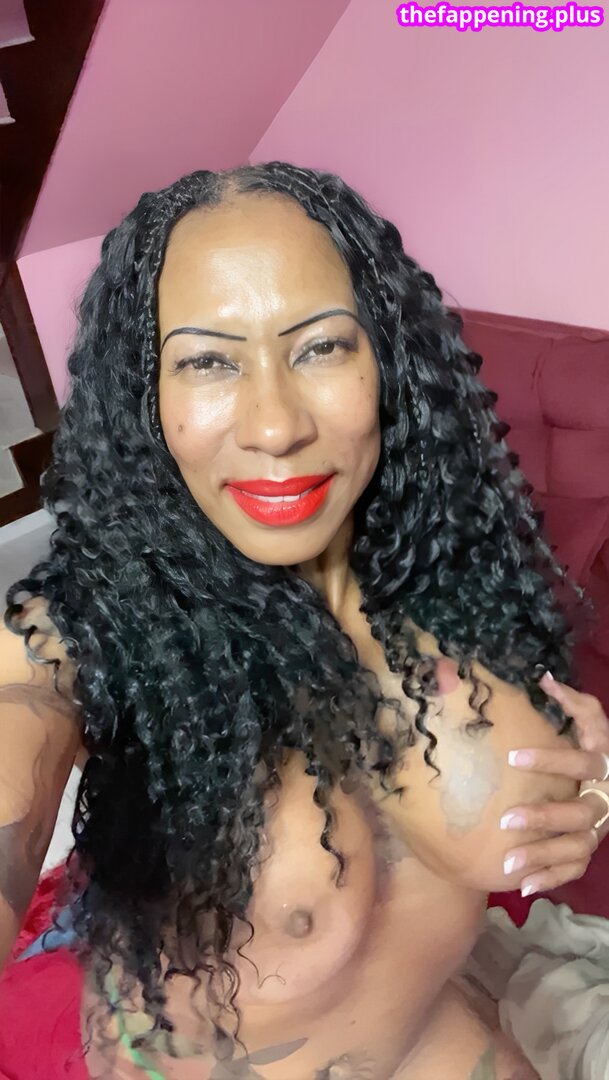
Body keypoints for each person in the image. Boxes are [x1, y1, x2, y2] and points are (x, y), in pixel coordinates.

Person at [1, 161, 609, 1080]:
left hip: (439, 1038)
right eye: (208, 360)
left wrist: (595, 788)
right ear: (145, 399)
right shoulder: (92, 630)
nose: (276, 425)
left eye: (320, 347)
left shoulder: (456, 569)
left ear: (387, 363)